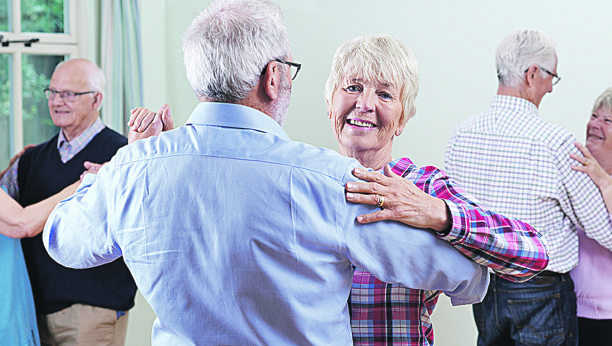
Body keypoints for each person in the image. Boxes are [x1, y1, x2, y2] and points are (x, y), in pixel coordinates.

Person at [42, 1, 491, 345]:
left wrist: (120, 169)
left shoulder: (133, 169)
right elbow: (464, 275)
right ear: (272, 78)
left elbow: (62, 239)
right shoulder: (329, 182)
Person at [322, 34, 548, 346]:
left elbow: (532, 253)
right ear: (330, 101)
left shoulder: (423, 187)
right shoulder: (304, 182)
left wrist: (435, 213)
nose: (365, 103)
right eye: (352, 87)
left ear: (402, 119)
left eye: (385, 94)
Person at [445, 28, 612, 346]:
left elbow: (454, 214)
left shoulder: (461, 135)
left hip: (483, 287)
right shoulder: (555, 142)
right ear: (533, 74)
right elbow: (605, 230)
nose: (551, 87)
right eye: (552, 76)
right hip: (540, 290)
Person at [0, 58, 137, 346]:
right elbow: (13, 218)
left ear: (97, 99)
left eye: (69, 94)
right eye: (52, 92)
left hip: (93, 310)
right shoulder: (30, 160)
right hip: (34, 312)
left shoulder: (124, 155)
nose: (57, 101)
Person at [569, 87, 612, 345]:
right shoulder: (576, 174)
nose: (595, 125)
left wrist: (603, 181)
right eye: (594, 116)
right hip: (568, 309)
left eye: (607, 120)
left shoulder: (601, 181)